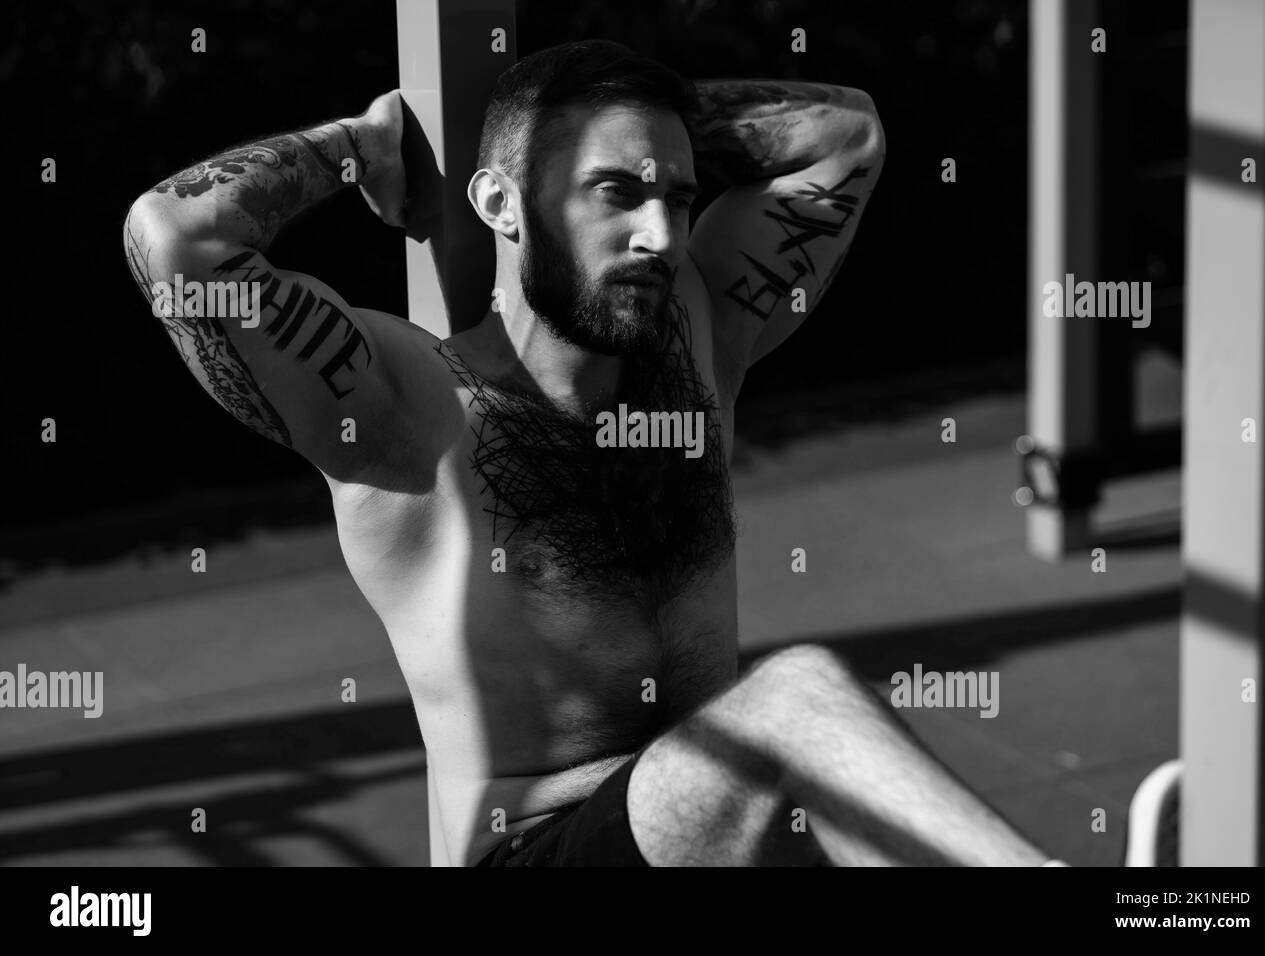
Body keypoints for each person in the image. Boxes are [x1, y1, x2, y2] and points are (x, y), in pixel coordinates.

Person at [123, 39, 1057, 867]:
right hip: (539, 848)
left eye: (679, 198)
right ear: (501, 201)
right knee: (802, 705)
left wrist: (632, 133)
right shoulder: (408, 407)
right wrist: (354, 149)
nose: (660, 235)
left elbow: (841, 131)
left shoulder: (694, 340)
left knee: (839, 805)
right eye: (616, 192)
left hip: (717, 828)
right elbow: (175, 237)